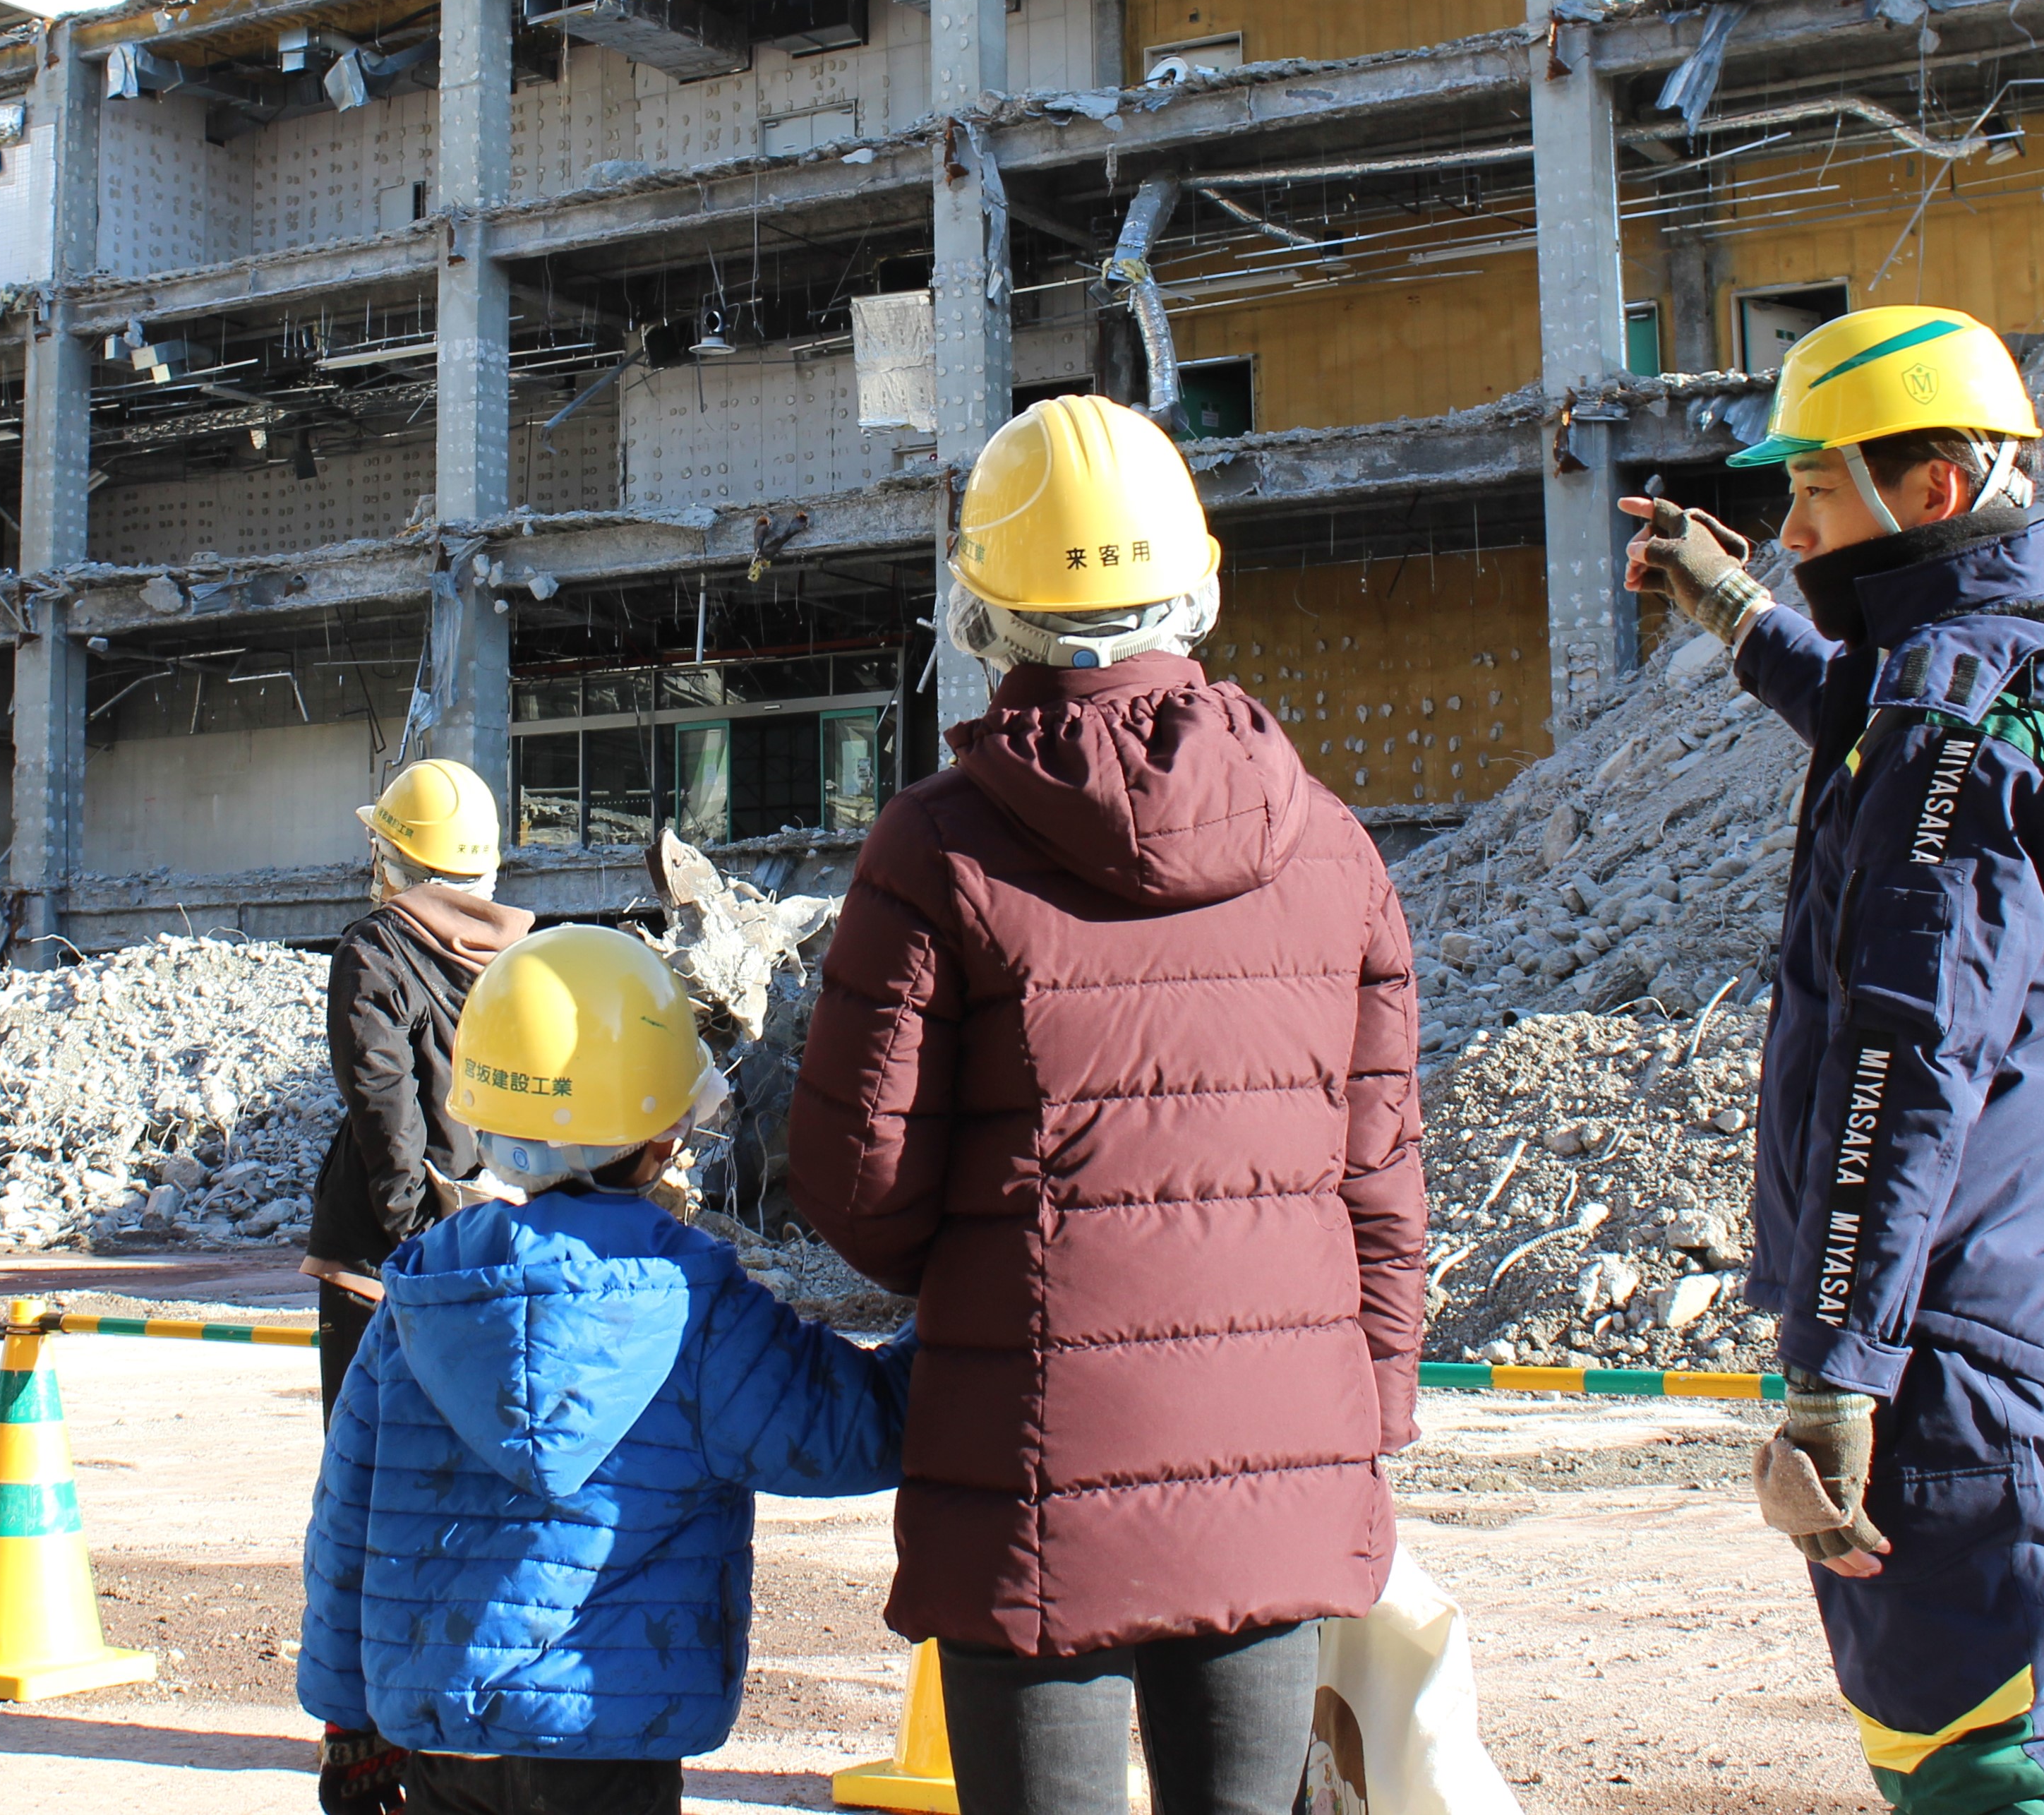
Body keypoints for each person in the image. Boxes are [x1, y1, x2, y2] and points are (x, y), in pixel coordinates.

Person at [1622, 306, 2044, 1814]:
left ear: (1929, 494)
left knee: (1974, 1757)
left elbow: (1902, 1065)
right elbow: (1884, 715)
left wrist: (1834, 1374)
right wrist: (1732, 613)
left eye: (1814, 494)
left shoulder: (1948, 728)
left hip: (1950, 1360)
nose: (1785, 529)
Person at [794, 393, 1426, 1815]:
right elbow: (1378, 1180)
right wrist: (1359, 1416)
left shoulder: (934, 847)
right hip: (1282, 1462)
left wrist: (998, 1250)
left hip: (1030, 1469)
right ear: (1196, 584)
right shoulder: (1329, 846)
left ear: (985, 610)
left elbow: (856, 1186)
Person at [299, 924, 912, 1815]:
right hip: (615, 1735)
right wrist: (961, 1325)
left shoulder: (422, 1295)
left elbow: (344, 1521)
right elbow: (854, 1431)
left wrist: (347, 1724)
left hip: (441, 1737)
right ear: (666, 1134)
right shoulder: (697, 1305)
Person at [303, 757, 531, 1417]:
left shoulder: (375, 951)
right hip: (498, 1236)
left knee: (369, 1468)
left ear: (393, 858)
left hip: (384, 1257)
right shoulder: (523, 959)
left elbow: (383, 1102)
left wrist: (416, 1237)